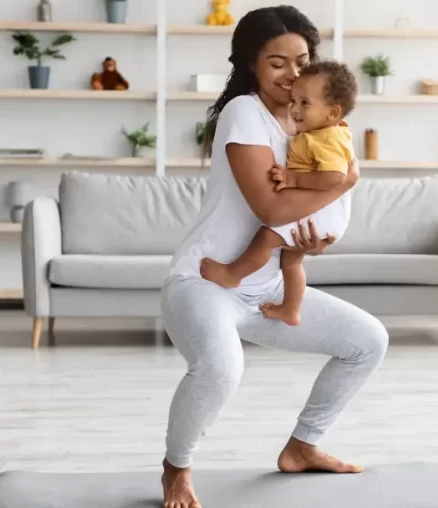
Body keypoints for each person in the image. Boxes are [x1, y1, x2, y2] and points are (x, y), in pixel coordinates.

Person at [160, 6, 389, 508]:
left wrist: (310, 241)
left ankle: (303, 447)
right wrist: (343, 183)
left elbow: (295, 216)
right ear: (251, 65)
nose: (290, 75)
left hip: (266, 287)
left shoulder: (311, 123)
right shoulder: (244, 112)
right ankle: (176, 468)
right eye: (276, 63)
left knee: (367, 341)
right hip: (205, 281)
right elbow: (270, 205)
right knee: (222, 368)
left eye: (301, 61)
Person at [199, 59, 358, 327]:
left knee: (266, 238)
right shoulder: (324, 132)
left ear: (333, 113)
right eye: (294, 101)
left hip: (322, 210)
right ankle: (291, 309)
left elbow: (335, 177)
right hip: (326, 213)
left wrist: (293, 178)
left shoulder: (327, 138)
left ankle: (232, 274)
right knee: (292, 262)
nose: (294, 109)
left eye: (304, 103)